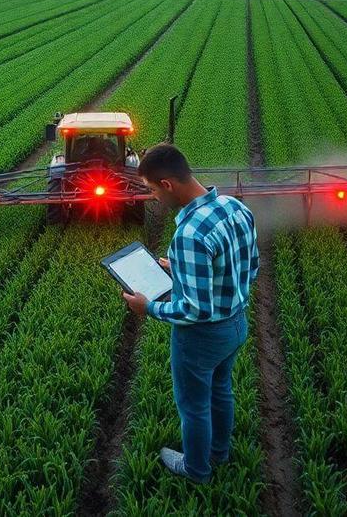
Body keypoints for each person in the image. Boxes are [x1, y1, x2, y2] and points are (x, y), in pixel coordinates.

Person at [121, 143, 259, 484]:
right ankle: (219, 453)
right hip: (237, 324)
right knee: (221, 389)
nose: (153, 197)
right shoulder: (234, 207)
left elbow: (194, 310)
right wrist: (180, 269)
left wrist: (148, 307)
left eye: (153, 190)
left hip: (202, 337)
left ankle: (196, 470)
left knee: (194, 405)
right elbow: (249, 267)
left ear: (167, 185)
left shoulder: (189, 235)